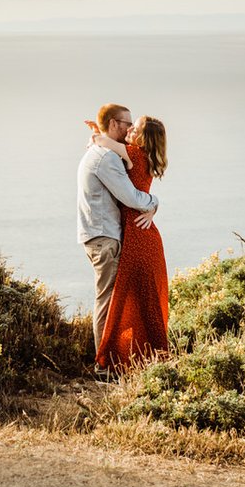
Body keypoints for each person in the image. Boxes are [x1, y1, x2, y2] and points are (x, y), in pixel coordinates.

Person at [77, 103, 158, 371]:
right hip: (104, 237)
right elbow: (131, 198)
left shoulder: (101, 151)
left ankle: (117, 358)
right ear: (113, 124)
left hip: (99, 235)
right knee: (108, 300)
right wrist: (155, 202)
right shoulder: (107, 158)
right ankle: (104, 365)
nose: (130, 128)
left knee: (112, 298)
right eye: (126, 124)